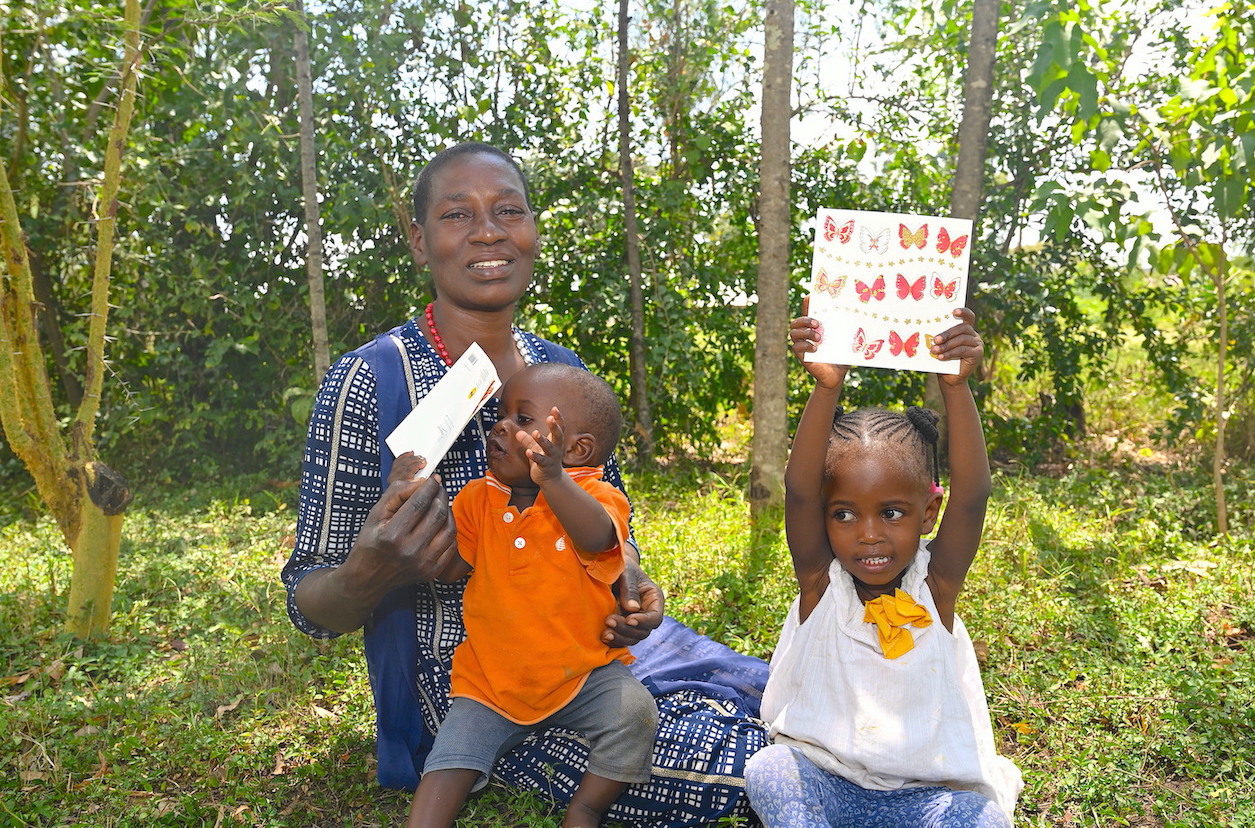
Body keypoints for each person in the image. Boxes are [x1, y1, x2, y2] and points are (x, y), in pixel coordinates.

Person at [280, 141, 769, 826]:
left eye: (508, 210)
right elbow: (311, 601)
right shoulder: (373, 380)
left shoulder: (558, 370)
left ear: (533, 231)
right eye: (458, 215)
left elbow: (611, 525)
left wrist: (633, 588)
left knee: (781, 697)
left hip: (587, 656)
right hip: (478, 687)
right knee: (750, 771)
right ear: (420, 243)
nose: (488, 231)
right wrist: (372, 571)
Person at [743, 307, 1022, 827]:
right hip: (827, 784)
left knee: (983, 818)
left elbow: (973, 495)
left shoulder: (933, 585)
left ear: (928, 514)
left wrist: (956, 391)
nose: (869, 534)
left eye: (891, 513)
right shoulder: (822, 586)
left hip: (925, 800)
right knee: (771, 770)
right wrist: (827, 388)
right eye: (843, 514)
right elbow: (800, 492)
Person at [393, 363, 658, 828]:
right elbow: (453, 564)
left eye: (523, 419)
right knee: (448, 760)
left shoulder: (597, 495)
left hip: (583, 671)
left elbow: (598, 538)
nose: (501, 425)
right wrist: (408, 494)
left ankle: (587, 807)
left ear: (576, 449)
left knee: (635, 715)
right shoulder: (479, 497)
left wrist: (553, 480)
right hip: (491, 680)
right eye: (500, 414)